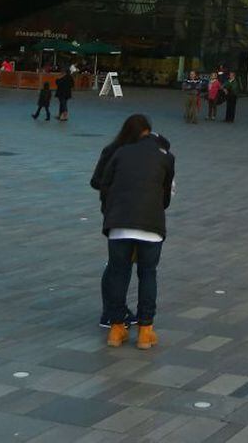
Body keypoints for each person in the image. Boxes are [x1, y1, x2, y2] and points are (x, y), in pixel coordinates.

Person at [95, 113, 175, 351]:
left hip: (119, 224)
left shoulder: (120, 152)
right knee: (147, 274)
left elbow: (104, 185)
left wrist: (111, 211)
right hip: (150, 226)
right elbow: (166, 196)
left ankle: (116, 328)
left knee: (118, 273)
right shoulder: (166, 158)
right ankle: (145, 330)